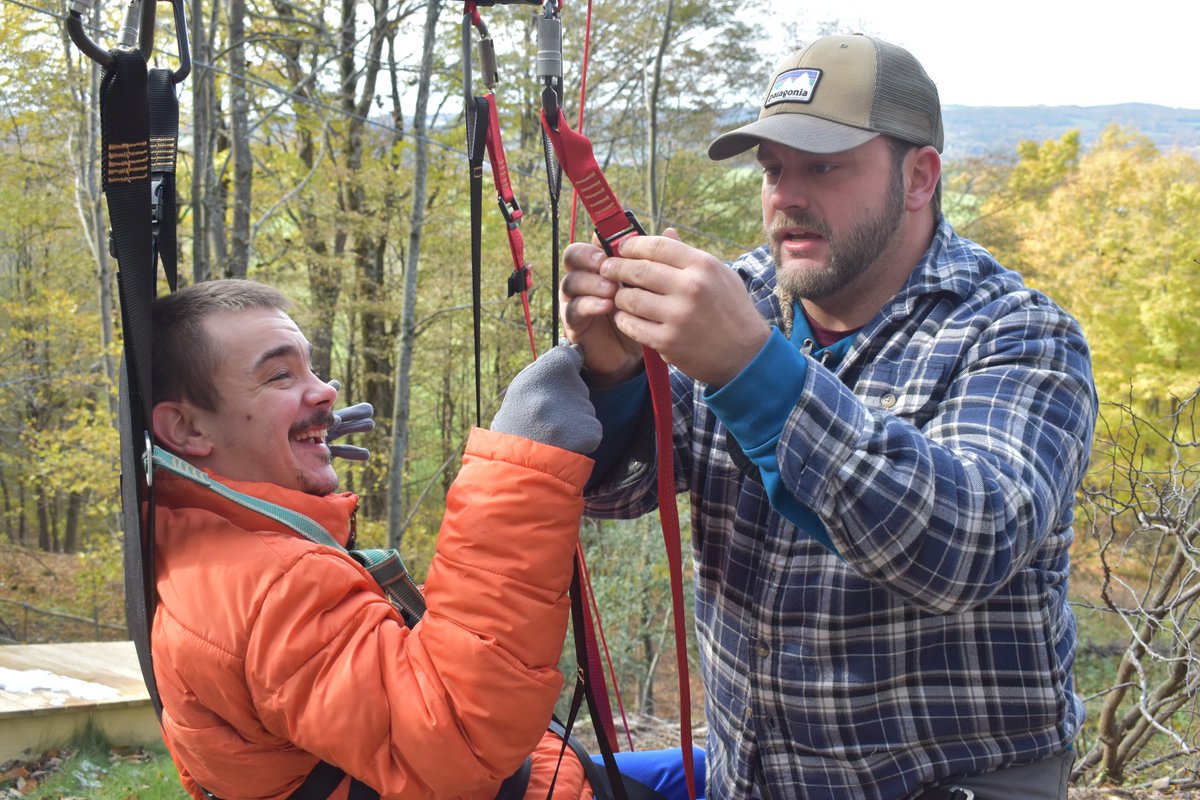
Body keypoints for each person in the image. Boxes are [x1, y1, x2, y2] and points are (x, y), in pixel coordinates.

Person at [560, 34, 1097, 800]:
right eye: (774, 168)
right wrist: (612, 375)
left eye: (824, 165)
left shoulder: (1021, 336)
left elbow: (966, 545)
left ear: (919, 178)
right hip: (753, 778)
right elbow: (615, 493)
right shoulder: (743, 298)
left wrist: (750, 370)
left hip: (947, 784)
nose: (786, 194)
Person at [148, 278, 609, 800]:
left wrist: (287, 455)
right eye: (280, 375)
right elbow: (455, 735)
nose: (325, 391)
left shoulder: (204, 546)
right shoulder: (272, 583)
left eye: (311, 368)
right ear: (187, 431)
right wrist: (523, 471)